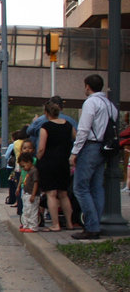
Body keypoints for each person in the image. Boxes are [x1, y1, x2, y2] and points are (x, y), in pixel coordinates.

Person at [71, 74, 116, 240]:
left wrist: (75, 152)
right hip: (104, 147)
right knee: (97, 187)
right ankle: (96, 224)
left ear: (87, 86)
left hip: (90, 146)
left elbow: (83, 129)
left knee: (81, 188)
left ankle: (91, 226)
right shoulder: (109, 105)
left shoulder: (91, 102)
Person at [36, 99, 75, 232]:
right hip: (63, 162)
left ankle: (55, 224)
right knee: (63, 194)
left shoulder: (45, 127)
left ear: (46, 113)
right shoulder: (68, 125)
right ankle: (69, 223)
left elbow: (41, 148)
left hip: (49, 163)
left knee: (51, 194)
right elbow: (76, 138)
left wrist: (38, 160)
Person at [18, 153, 41, 232]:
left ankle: (33, 226)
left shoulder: (34, 171)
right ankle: (26, 225)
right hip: (27, 194)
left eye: (24, 166)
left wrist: (33, 195)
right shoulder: (29, 171)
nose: (23, 168)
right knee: (27, 210)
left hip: (32, 194)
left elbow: (36, 183)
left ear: (29, 162)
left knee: (32, 211)